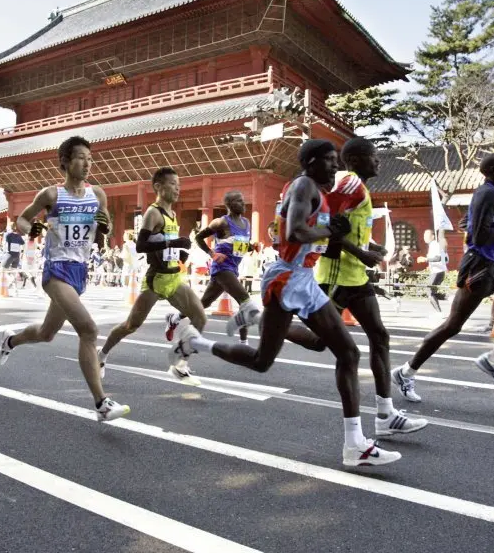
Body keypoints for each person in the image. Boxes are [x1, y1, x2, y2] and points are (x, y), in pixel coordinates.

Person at [169, 140, 402, 466]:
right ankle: (196, 341)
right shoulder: (304, 185)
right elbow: (293, 232)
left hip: (304, 279)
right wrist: (327, 228)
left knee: (346, 352)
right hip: (287, 279)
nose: (335, 166)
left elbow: (310, 230)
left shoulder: (314, 191)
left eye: (337, 161)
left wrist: (345, 238)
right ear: (310, 162)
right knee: (263, 361)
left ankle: (355, 444)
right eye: (329, 160)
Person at [0, 136, 129, 422]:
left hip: (80, 272)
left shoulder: (98, 195)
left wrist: (107, 226)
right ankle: (101, 404)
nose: (87, 164)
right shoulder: (51, 195)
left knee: (47, 333)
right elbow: (23, 219)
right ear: (65, 162)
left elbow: (105, 228)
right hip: (56, 271)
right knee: (88, 330)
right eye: (80, 157)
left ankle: (11, 341)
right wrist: (31, 229)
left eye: (90, 159)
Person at [392, 153, 494, 399]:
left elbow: (468, 224)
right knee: (452, 326)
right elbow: (479, 237)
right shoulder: (486, 193)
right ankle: (406, 372)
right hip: (479, 268)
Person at [316, 137, 428, 435]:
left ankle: (385, 415)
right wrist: (362, 254)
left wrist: (372, 246)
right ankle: (269, 323)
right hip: (336, 277)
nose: (379, 161)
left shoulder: (360, 187)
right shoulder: (351, 182)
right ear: (354, 160)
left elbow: (349, 229)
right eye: (373, 156)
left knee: (379, 336)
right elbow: (327, 222)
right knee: (319, 341)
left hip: (357, 278)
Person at [97, 167, 207, 385]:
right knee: (131, 325)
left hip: (173, 277)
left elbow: (163, 246)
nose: (178, 188)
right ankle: (101, 355)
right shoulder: (153, 212)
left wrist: (178, 254)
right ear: (158, 187)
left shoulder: (173, 214)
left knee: (200, 318)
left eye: (179, 184)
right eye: (173, 184)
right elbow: (141, 245)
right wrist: (174, 243)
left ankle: (180, 365)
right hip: (156, 280)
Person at [164, 191, 261, 345]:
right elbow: (198, 237)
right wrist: (212, 253)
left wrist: (251, 247)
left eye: (243, 201)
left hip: (233, 268)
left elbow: (238, 246)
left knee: (203, 304)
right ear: (228, 204)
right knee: (245, 301)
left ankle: (174, 318)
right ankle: (244, 344)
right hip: (222, 268)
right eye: (238, 201)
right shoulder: (221, 222)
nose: (242, 204)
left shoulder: (246, 223)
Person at [418, 229, 449, 316]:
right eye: (424, 235)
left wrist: (426, 259)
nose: (425, 237)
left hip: (437, 271)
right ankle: (449, 297)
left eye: (427, 235)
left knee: (429, 291)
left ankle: (439, 313)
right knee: (432, 292)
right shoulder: (432, 245)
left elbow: (439, 258)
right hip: (437, 271)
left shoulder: (435, 245)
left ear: (433, 236)